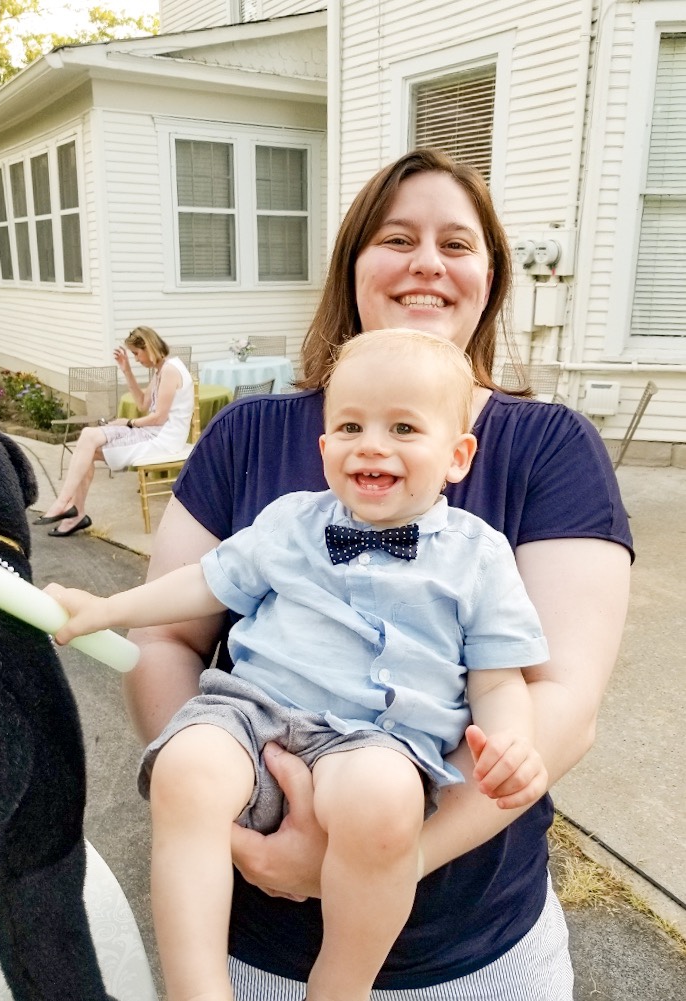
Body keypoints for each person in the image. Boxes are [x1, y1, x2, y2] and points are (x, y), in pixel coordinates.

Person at [123, 149, 634, 1001]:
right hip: (256, 946)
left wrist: (382, 857)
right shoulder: (248, 434)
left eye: (457, 244)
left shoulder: (552, 447)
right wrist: (230, 817)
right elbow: (164, 636)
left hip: (475, 951)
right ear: (353, 265)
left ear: (490, 279)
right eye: (397, 238)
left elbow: (560, 702)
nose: (427, 262)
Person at [48, 329, 551, 1001]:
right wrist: (107, 609)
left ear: (457, 456)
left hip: (378, 738)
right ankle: (197, 988)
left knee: (387, 800)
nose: (371, 445)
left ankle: (339, 986)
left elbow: (498, 677)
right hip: (252, 713)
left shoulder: (479, 556)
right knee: (185, 768)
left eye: (403, 427)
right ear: (324, 448)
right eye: (350, 427)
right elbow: (203, 582)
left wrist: (512, 740)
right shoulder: (291, 522)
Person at [34, 326, 193, 537]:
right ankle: (73, 512)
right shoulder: (162, 369)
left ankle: (66, 506)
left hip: (162, 439)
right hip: (153, 433)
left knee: (88, 442)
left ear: (148, 347)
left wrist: (128, 422)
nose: (136, 359)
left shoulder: (170, 370)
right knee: (87, 442)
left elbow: (159, 417)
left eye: (136, 353)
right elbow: (143, 403)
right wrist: (126, 370)